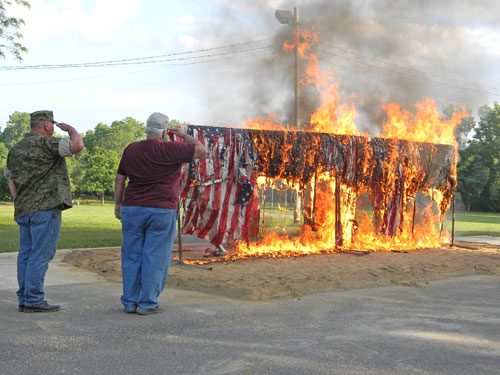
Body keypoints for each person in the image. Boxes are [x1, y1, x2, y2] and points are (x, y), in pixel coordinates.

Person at [114, 112, 207, 315]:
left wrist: (118, 203)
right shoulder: (171, 149)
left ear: (147, 129)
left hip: (132, 208)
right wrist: (183, 135)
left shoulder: (131, 149)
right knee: (155, 257)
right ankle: (147, 303)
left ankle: (130, 302)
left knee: (131, 256)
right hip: (161, 210)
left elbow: (120, 178)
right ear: (165, 132)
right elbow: (202, 150)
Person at [5, 110, 84, 313]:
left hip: (24, 209)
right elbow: (77, 146)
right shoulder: (47, 144)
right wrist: (71, 130)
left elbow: (10, 178)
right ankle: (33, 299)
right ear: (47, 125)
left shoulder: (15, 149)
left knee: (26, 254)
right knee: (41, 254)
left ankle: (24, 297)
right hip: (46, 208)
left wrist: (19, 200)